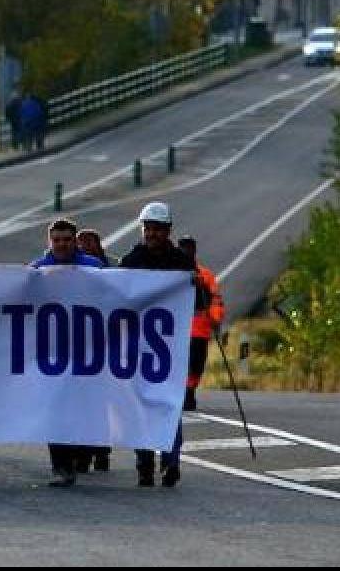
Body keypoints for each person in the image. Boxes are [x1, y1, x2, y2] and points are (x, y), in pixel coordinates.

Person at [119, 202, 203, 488]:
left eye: (157, 229)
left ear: (167, 231)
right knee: (140, 406)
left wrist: (196, 286)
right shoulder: (131, 261)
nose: (152, 234)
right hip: (138, 348)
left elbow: (199, 303)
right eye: (148, 228)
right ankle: (144, 464)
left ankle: (171, 461)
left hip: (171, 348)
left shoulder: (181, 262)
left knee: (170, 406)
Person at [28, 219, 105, 487]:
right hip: (51, 354)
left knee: (83, 407)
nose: (61, 245)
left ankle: (81, 455)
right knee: (55, 408)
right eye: (56, 240)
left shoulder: (94, 268)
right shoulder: (37, 270)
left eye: (66, 240)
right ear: (50, 242)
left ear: (75, 241)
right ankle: (61, 466)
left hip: (86, 352)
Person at [178, 236, 224, 412]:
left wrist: (215, 318)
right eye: (183, 247)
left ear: (194, 250)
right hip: (177, 329)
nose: (186, 251)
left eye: (189, 247)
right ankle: (181, 393)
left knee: (196, 364)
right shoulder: (171, 272)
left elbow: (215, 299)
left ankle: (189, 392)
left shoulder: (205, 275)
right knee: (180, 364)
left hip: (199, 329)